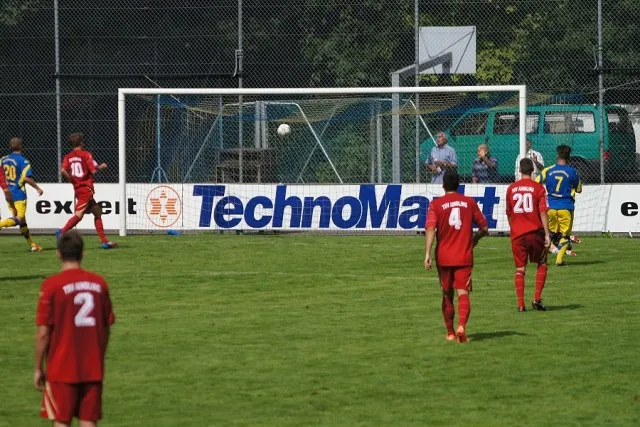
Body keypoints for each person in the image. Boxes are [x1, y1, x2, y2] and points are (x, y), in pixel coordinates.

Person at [34, 230, 115, 427]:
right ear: (83, 253)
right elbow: (106, 327)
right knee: (88, 421)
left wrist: (37, 367)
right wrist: (99, 355)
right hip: (92, 366)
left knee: (62, 420)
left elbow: (44, 333)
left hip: (61, 367)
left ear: (58, 253)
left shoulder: (51, 285)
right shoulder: (99, 283)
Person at [424, 170, 489, 343]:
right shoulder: (469, 202)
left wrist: (427, 254)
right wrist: (474, 239)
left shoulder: (436, 205)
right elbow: (484, 227)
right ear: (459, 185)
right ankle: (461, 326)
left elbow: (430, 228)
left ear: (443, 185)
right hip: (463, 255)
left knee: (447, 294)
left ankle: (450, 332)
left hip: (443, 257)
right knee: (463, 293)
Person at [506, 158, 551, 311]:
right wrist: (547, 234)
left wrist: (514, 229)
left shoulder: (511, 189)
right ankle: (536, 299)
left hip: (517, 234)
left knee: (520, 269)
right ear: (532, 170)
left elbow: (509, 213)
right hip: (535, 232)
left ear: (519, 170)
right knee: (542, 262)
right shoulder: (538, 188)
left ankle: (520, 305)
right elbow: (543, 212)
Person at [58, 133, 117, 249]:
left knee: (97, 212)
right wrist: (101, 167)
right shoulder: (86, 154)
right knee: (79, 215)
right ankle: (62, 231)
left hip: (78, 188)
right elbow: (93, 171)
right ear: (81, 143)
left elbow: (63, 170)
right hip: (86, 189)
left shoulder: (68, 156)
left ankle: (105, 242)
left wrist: (71, 179)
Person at [536, 145, 582, 266]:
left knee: (551, 234)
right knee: (565, 236)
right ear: (569, 158)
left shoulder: (548, 170)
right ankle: (559, 260)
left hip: (551, 207)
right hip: (566, 207)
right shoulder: (573, 171)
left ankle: (540, 257)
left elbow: (536, 182)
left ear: (557, 156)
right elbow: (579, 189)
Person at [0, 137, 44, 251]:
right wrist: (38, 188)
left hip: (8, 194)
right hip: (19, 194)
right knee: (19, 219)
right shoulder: (23, 161)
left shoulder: (3, 159)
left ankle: (32, 245)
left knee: (22, 220)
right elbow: (26, 178)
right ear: (20, 146)